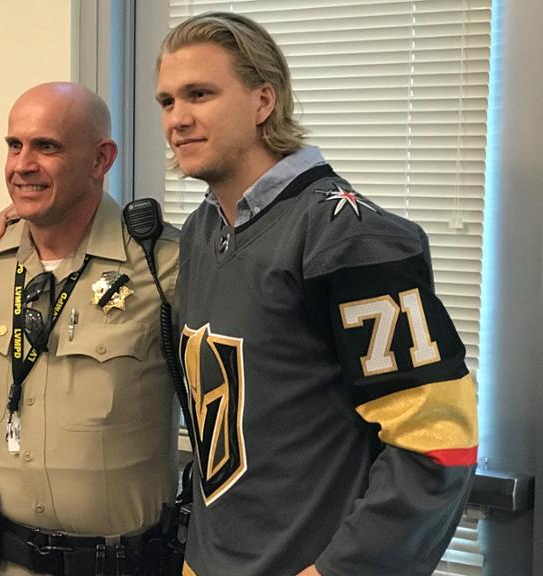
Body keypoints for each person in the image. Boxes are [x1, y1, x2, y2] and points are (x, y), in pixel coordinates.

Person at [155, 12, 479, 576]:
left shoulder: (349, 238)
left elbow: (440, 444)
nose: (178, 119)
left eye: (199, 94)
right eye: (166, 102)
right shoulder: (207, 230)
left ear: (263, 101)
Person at [0, 82, 181, 576]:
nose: (22, 165)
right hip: (1, 564)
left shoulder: (164, 267)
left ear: (100, 160)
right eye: (15, 145)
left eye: (46, 147)